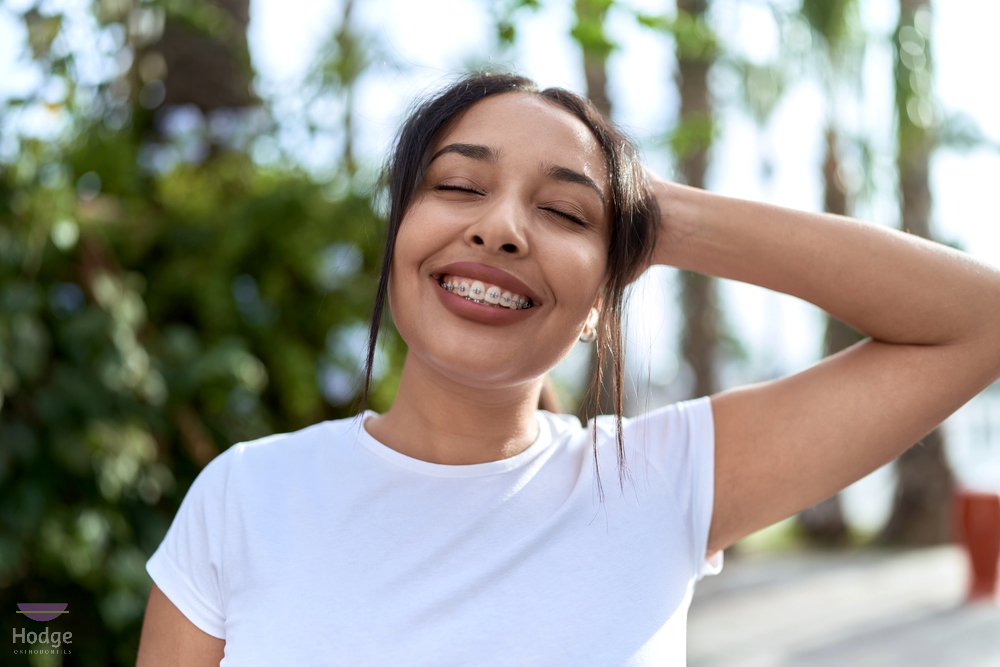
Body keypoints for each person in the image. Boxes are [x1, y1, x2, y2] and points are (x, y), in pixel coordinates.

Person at [135, 72, 1000, 666]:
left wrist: (661, 216)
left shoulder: (659, 482)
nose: (502, 229)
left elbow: (977, 319)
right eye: (459, 188)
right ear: (395, 240)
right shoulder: (245, 497)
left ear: (600, 305)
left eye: (560, 211)